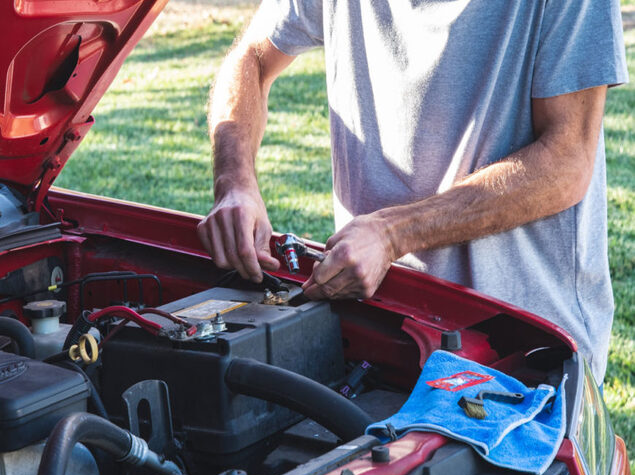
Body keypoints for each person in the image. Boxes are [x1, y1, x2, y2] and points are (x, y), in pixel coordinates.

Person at [197, 1, 628, 383]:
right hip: (379, 318)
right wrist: (234, 182)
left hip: (521, 345)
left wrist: (391, 234)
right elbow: (252, 56)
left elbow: (566, 161)